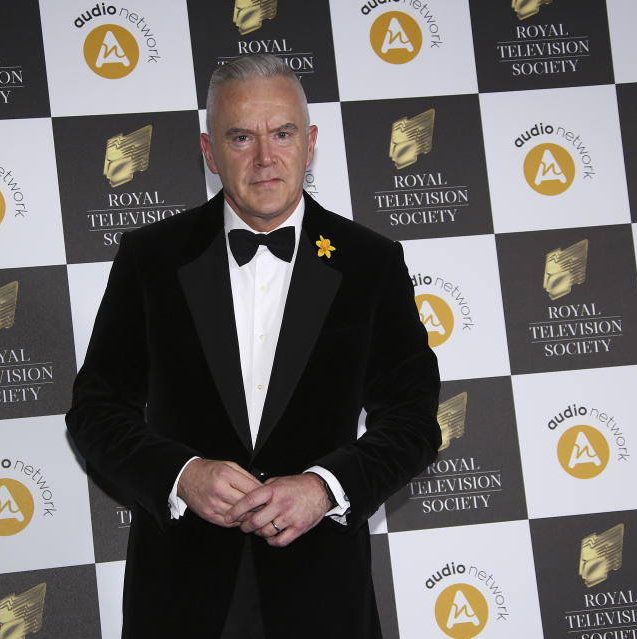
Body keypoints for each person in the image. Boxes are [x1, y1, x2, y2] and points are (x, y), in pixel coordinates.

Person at [66, 54, 441, 638]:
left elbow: (414, 421)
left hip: (321, 596)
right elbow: (94, 410)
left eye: (283, 133)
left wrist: (325, 487)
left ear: (310, 141)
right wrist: (181, 475)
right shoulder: (151, 258)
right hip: (179, 595)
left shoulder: (371, 262)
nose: (265, 158)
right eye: (241, 136)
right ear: (209, 150)